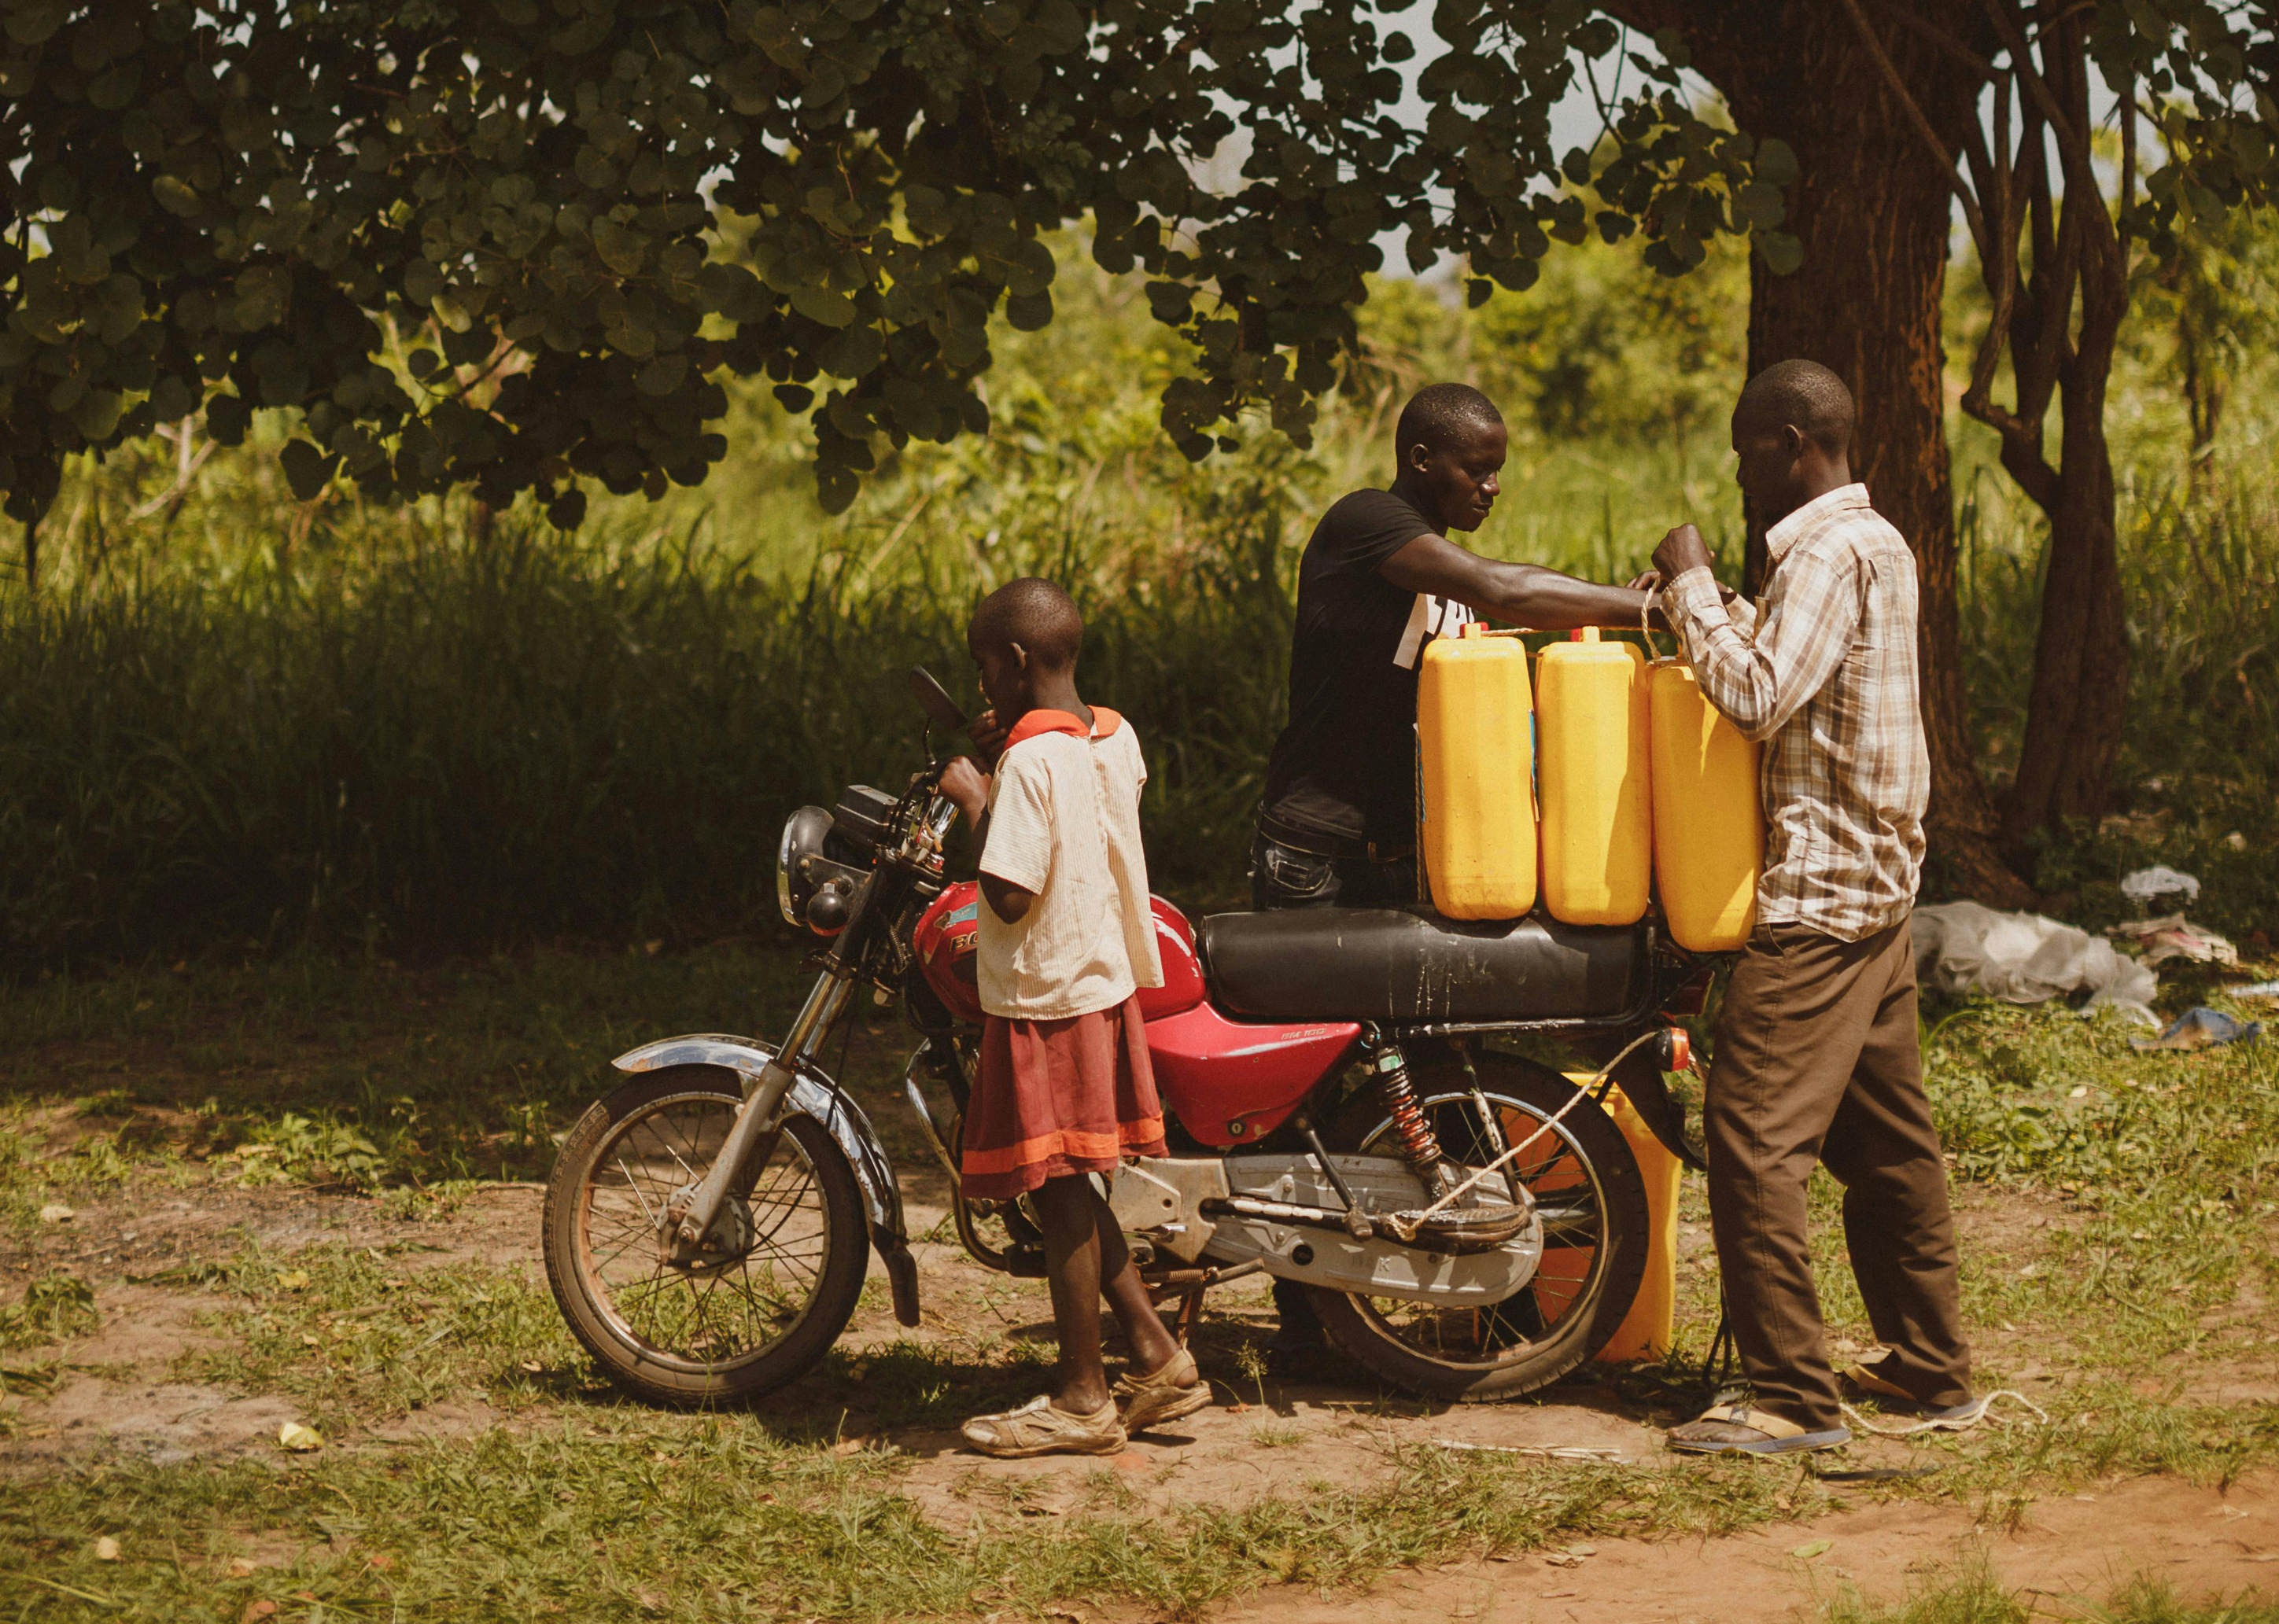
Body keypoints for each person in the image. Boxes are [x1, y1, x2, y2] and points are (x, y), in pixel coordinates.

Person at [1252, 381, 1660, 1365]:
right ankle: (1304, 1318)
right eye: (1475, 467)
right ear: (1421, 457)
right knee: (1302, 1090)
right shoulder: (1368, 527)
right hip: (1312, 852)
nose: (1488, 485)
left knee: (1437, 1066)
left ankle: (1496, 1295)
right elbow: (1507, 590)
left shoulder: (1434, 572)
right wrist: (1651, 607)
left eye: (1497, 470)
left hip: (1398, 857)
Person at [1642, 359, 1976, 1455]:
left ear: (1790, 443)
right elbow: (1804, 679)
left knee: (1749, 1139)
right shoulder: (1877, 544)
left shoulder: (1828, 551)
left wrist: (1690, 584)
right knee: (1888, 1148)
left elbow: (1753, 696)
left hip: (1820, 903)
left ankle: (1789, 1399)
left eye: (1748, 453)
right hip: (1879, 894)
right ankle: (1932, 1368)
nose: (1741, 478)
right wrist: (1727, 608)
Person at [939, 577, 1212, 1458]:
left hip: (1045, 997)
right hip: (1102, 981)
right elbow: (1071, 783)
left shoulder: (1025, 765)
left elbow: (1010, 893)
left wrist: (977, 799)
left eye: (985, 667)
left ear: (1014, 662)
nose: (980, 682)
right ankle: (1155, 1355)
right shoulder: (1113, 733)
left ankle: (1083, 1398)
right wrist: (1009, 746)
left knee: (1060, 1196)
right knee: (1072, 1186)